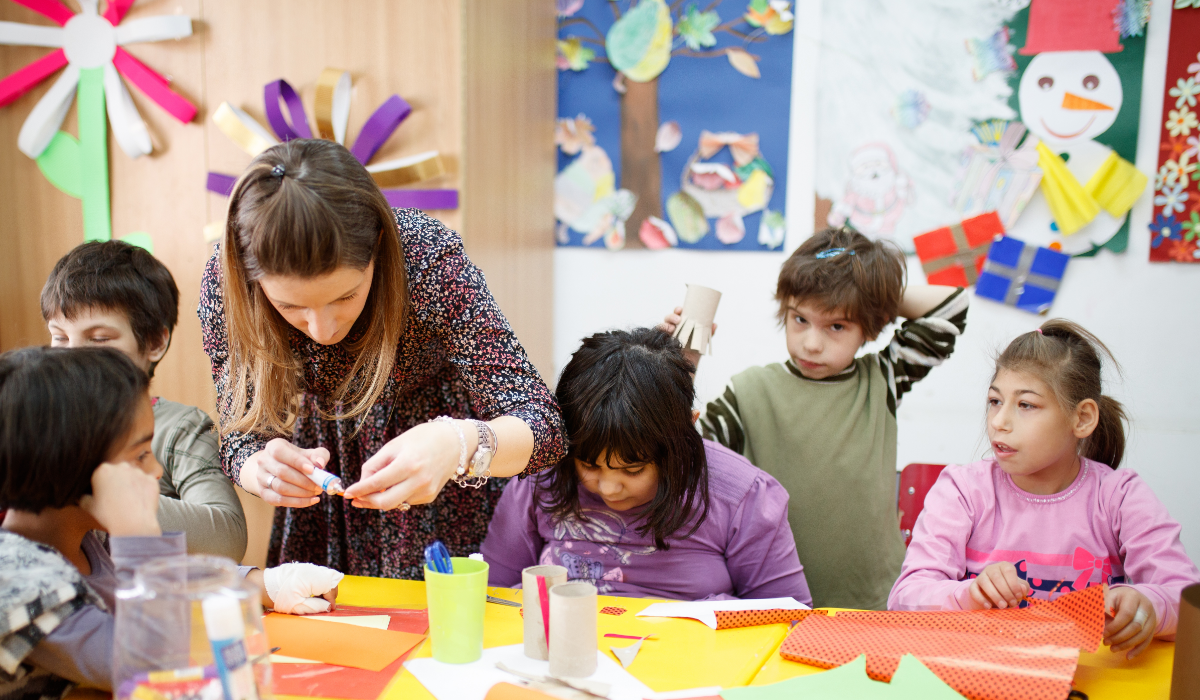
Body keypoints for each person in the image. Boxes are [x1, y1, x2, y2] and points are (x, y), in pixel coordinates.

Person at [201, 139, 565, 578]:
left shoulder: (425, 258)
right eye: (290, 307)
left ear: (378, 245)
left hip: (445, 469)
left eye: (346, 296)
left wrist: (456, 445)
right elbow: (240, 436)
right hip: (327, 487)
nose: (322, 330)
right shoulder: (227, 286)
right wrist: (256, 465)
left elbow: (544, 426)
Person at [0, 347, 340, 699]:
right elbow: (152, 669)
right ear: (70, 468)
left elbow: (177, 580)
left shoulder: (86, 536)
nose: (156, 470)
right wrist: (138, 535)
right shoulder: (17, 579)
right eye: (141, 455)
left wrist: (266, 585)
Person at [666, 226, 969, 610]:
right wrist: (678, 364)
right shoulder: (749, 392)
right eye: (800, 319)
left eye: (837, 326)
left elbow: (952, 308)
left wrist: (869, 288)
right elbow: (682, 456)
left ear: (869, 328)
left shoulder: (883, 378)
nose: (811, 342)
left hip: (875, 602)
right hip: (772, 600)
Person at [889, 321, 1200, 660]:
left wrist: (1148, 607)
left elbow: (1185, 599)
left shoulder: (1121, 497)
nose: (998, 421)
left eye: (1026, 405)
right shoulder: (962, 491)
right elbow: (905, 599)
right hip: (985, 678)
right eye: (995, 400)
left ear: (1081, 419)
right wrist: (971, 595)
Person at [481, 328, 810, 602]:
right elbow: (494, 597)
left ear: (684, 434)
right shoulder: (541, 475)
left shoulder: (744, 496)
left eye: (633, 470)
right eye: (588, 465)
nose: (609, 488)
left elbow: (786, 619)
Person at [41, 240, 247, 561]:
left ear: (154, 342)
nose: (72, 357)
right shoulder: (34, 423)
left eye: (98, 339)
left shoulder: (180, 427)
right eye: (60, 337)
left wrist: (100, 493)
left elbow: (228, 537)